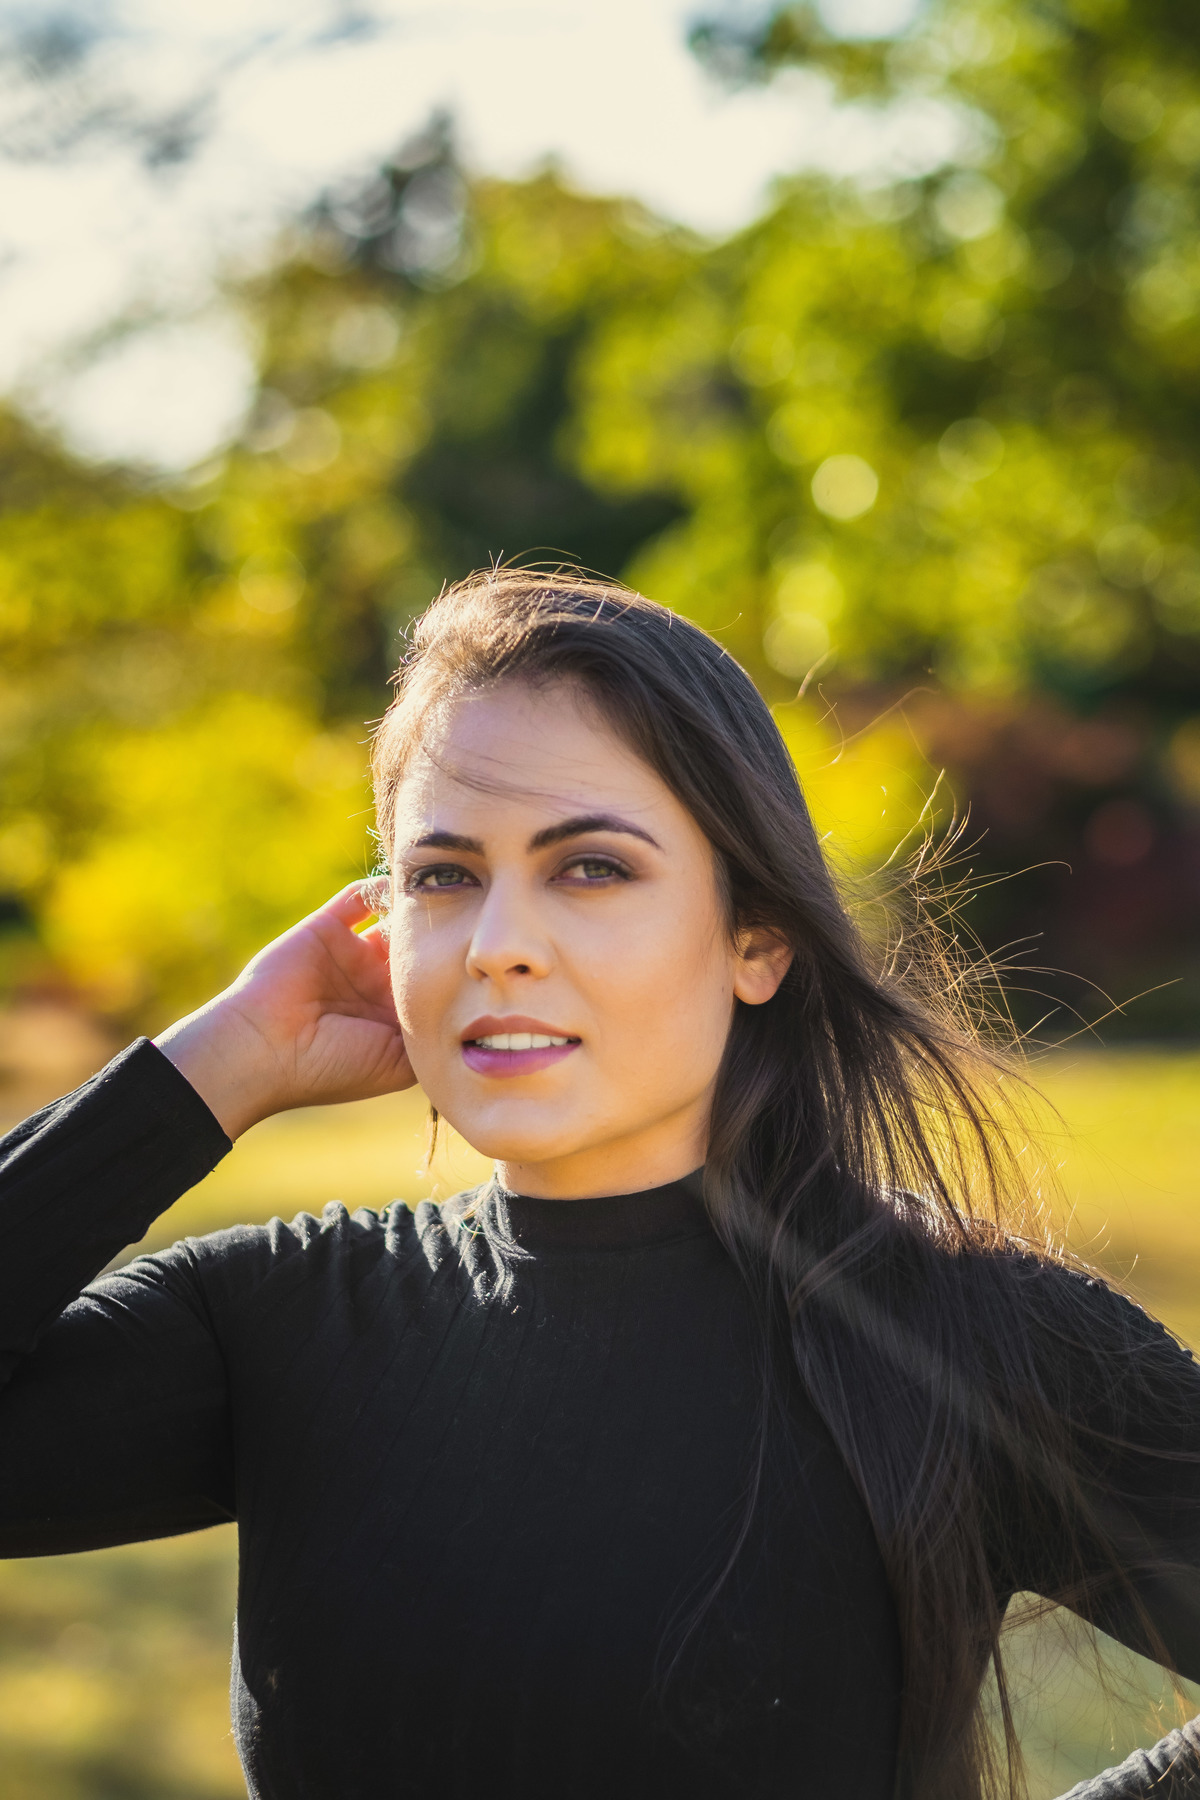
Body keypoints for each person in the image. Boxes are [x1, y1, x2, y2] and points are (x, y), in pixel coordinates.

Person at [2, 567, 1199, 1800]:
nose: (496, 942)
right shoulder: (275, 1323)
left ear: (756, 939)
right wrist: (217, 1065)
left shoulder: (968, 1338)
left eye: (590, 868)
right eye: (443, 877)